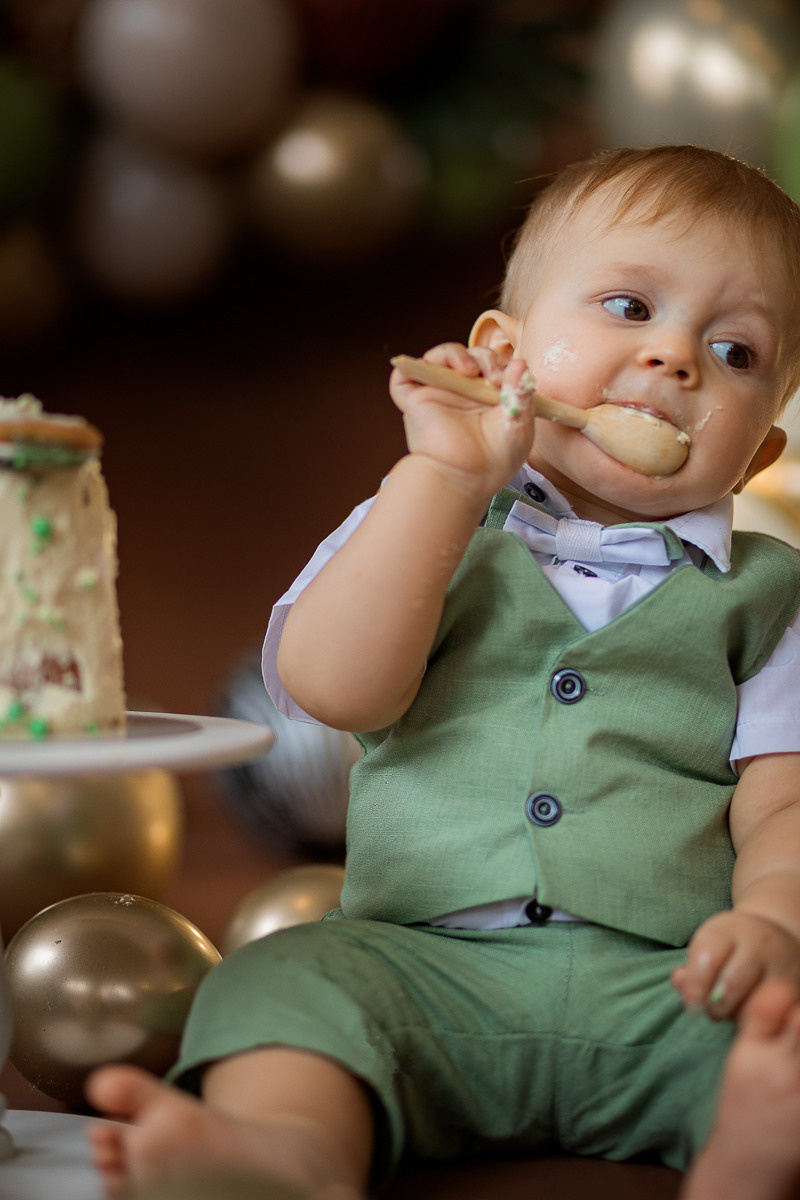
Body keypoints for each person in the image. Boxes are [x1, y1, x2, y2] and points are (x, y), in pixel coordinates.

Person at [87, 145, 800, 1200]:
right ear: (502, 352)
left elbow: (779, 801)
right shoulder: (423, 515)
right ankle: (290, 1152)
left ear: (754, 457)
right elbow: (337, 691)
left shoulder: (769, 591)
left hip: (662, 985)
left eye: (734, 351)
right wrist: (443, 477)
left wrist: (773, 923)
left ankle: (740, 1148)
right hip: (417, 972)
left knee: (780, 1034)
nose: (674, 359)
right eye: (625, 304)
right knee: (277, 979)